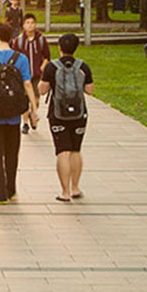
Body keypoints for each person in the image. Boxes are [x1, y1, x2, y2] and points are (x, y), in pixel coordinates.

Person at [0, 22, 37, 204]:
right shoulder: (21, 59)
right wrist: (33, 109)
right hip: (13, 115)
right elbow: (27, 84)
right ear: (11, 38)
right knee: (12, 154)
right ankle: (11, 190)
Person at [39, 33, 95, 202]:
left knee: (63, 151)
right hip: (79, 113)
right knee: (76, 150)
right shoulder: (83, 67)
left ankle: (65, 192)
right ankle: (75, 188)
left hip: (58, 115)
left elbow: (42, 90)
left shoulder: (52, 67)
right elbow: (90, 90)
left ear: (60, 47)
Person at [12, 13, 51, 134]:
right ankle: (25, 123)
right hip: (23, 76)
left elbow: (47, 57)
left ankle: (32, 114)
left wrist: (41, 68)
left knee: (36, 99)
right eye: (27, 23)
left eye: (32, 23)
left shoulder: (41, 39)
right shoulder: (19, 41)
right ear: (23, 25)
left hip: (37, 75)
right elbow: (14, 57)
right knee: (25, 100)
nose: (30, 25)